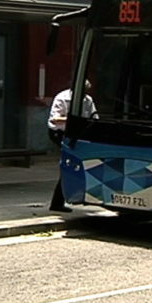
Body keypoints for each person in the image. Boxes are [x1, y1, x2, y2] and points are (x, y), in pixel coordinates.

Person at [48, 80, 97, 212]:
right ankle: (57, 203)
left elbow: (94, 117)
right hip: (60, 133)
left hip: (78, 133)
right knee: (68, 163)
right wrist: (74, 120)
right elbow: (55, 119)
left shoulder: (88, 100)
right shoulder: (62, 98)